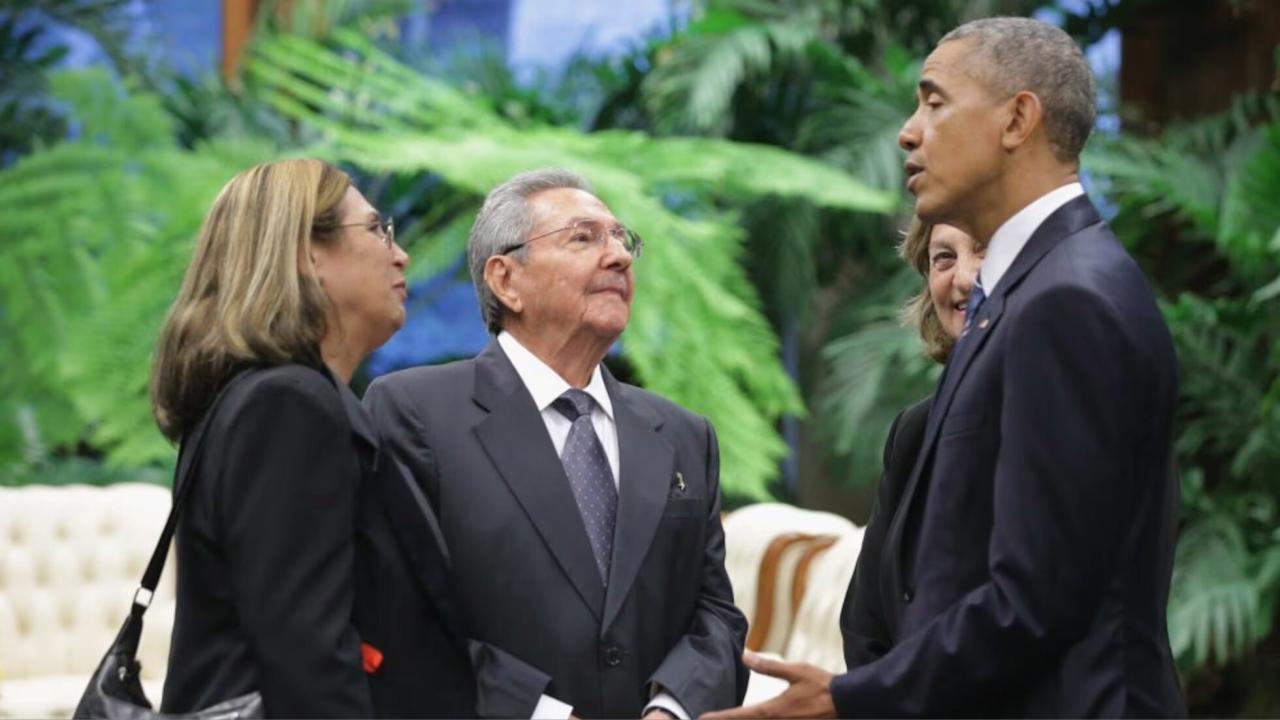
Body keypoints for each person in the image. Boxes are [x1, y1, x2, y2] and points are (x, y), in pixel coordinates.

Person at [706, 16, 1184, 718]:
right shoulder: (1032, 291)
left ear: (1018, 118)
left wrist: (849, 698)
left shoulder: (1067, 299)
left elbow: (1036, 597)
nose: (908, 131)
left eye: (933, 102)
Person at [152, 159, 535, 719]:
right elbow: (307, 655)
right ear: (308, 255)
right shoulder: (287, 406)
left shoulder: (267, 397)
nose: (400, 254)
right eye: (379, 230)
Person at [364, 168, 748, 719]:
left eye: (622, 239)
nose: (618, 256)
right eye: (584, 237)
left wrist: (671, 708)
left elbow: (714, 612)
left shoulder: (683, 435)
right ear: (506, 279)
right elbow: (399, 616)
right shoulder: (414, 415)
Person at [839, 219, 981, 669]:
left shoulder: (1059, 402)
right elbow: (866, 619)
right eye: (944, 258)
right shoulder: (914, 430)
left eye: (984, 251)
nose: (963, 278)